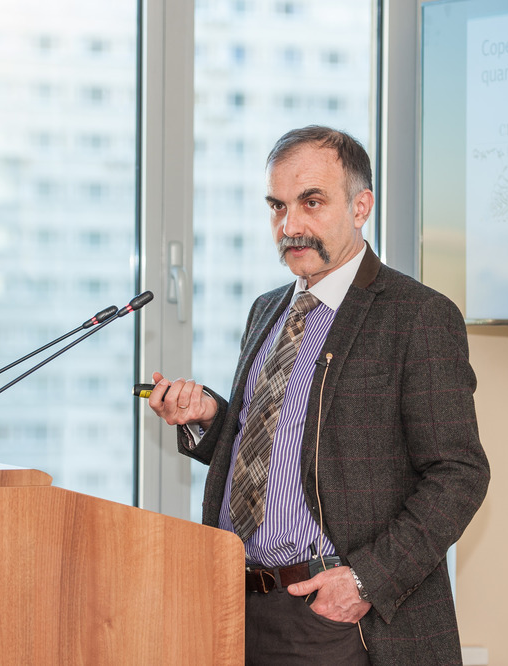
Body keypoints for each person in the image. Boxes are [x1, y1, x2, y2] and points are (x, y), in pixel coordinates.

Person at [147, 125, 489, 665]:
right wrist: (212, 419)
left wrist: (365, 581)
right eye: (277, 207)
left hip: (338, 615)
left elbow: (459, 474)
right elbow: (283, 448)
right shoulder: (267, 309)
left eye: (311, 202)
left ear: (360, 207)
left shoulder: (417, 315)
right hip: (238, 603)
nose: (290, 227)